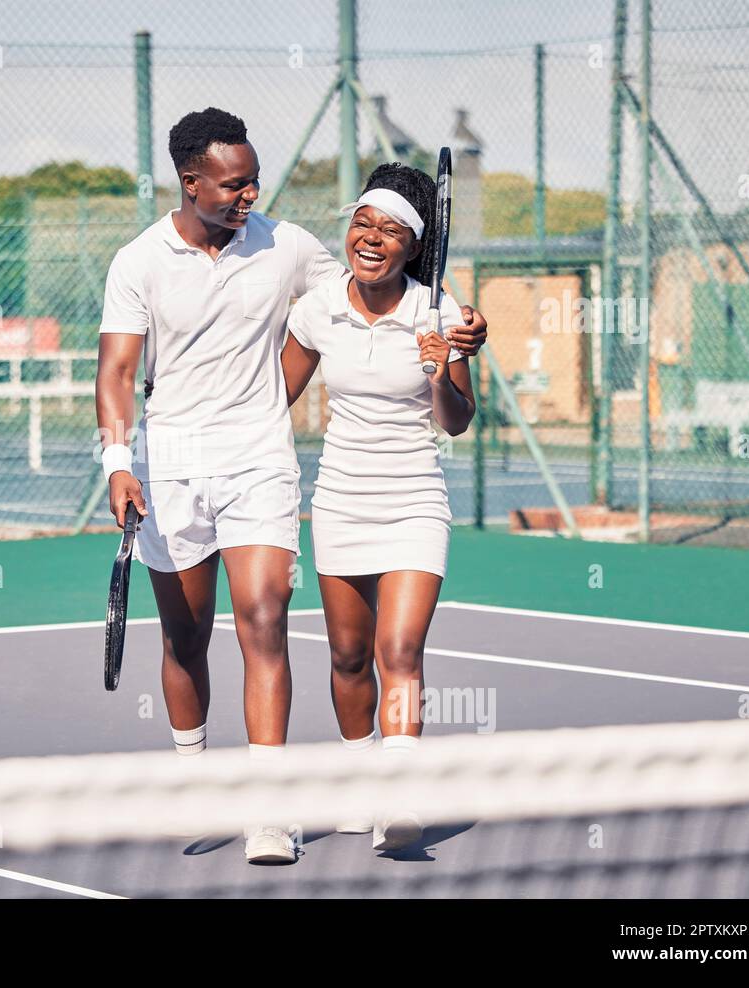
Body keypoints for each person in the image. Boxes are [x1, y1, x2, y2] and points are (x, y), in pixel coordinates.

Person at [96, 110, 485, 864]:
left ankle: (271, 811)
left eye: (254, 182)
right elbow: (116, 371)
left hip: (263, 465)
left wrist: (462, 331)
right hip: (170, 460)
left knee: (267, 621)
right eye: (235, 185)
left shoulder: (285, 245)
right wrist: (119, 461)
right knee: (187, 638)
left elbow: (383, 283)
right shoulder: (138, 261)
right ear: (191, 182)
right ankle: (193, 780)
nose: (251, 196)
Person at [280, 162, 478, 851]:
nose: (370, 237)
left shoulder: (443, 314)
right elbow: (271, 398)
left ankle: (399, 802)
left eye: (390, 229)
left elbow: (455, 420)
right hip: (339, 499)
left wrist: (438, 369)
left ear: (414, 247)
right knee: (347, 656)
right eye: (362, 222)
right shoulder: (317, 309)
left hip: (416, 499)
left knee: (400, 648)